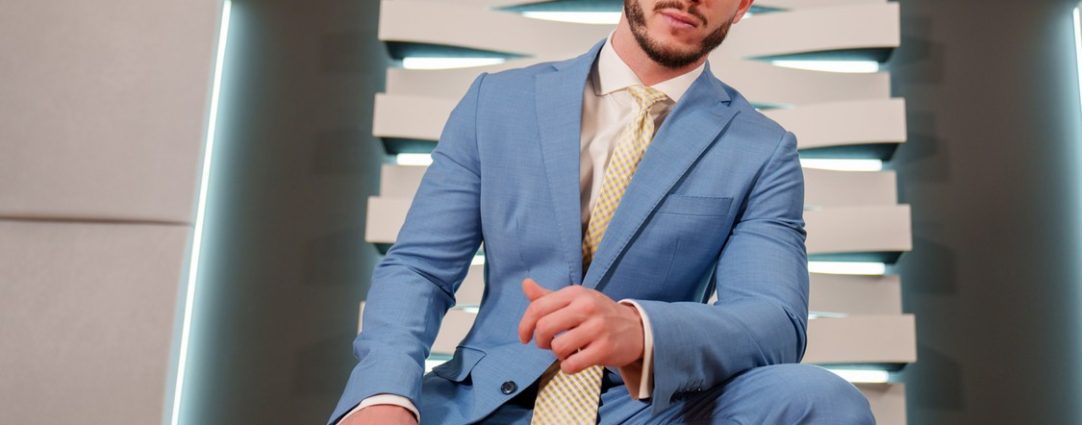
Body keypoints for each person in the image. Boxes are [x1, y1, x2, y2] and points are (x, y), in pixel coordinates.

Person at [330, 0, 876, 423]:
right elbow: (420, 268)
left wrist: (642, 329)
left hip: (650, 408)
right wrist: (385, 393)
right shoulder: (495, 102)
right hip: (485, 399)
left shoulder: (763, 148)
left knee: (821, 400)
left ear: (744, 4)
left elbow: (774, 320)